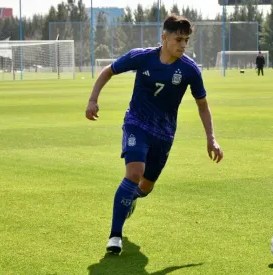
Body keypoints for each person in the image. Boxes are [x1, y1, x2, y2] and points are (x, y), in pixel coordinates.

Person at [85, 14, 224, 254]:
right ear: (164, 37)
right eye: (178, 39)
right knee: (134, 172)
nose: (182, 45)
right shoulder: (142, 57)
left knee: (145, 187)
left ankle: (130, 199)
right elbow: (108, 71)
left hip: (164, 134)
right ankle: (115, 235)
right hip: (136, 124)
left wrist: (211, 138)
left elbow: (203, 105)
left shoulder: (190, 70)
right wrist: (92, 99)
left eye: (186, 41)